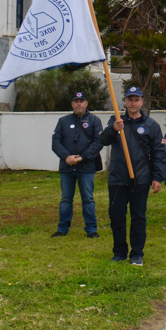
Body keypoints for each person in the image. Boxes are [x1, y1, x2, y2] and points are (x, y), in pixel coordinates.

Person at [100, 86, 166, 266]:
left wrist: (157, 177)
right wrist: (113, 129)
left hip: (141, 179)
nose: (133, 103)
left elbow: (159, 153)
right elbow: (103, 140)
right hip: (117, 179)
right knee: (117, 216)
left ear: (142, 101)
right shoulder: (116, 120)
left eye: (136, 99)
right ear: (125, 101)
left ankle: (137, 254)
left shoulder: (151, 125)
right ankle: (119, 252)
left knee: (138, 217)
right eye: (130, 99)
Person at [50, 91, 104, 238]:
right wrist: (66, 156)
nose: (79, 104)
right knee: (66, 198)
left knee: (88, 198)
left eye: (82, 101)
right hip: (67, 167)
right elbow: (56, 142)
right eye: (76, 101)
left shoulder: (94, 121)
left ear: (86, 103)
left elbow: (98, 142)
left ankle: (91, 229)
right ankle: (62, 228)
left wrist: (82, 157)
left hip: (86, 167)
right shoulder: (63, 121)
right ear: (72, 104)